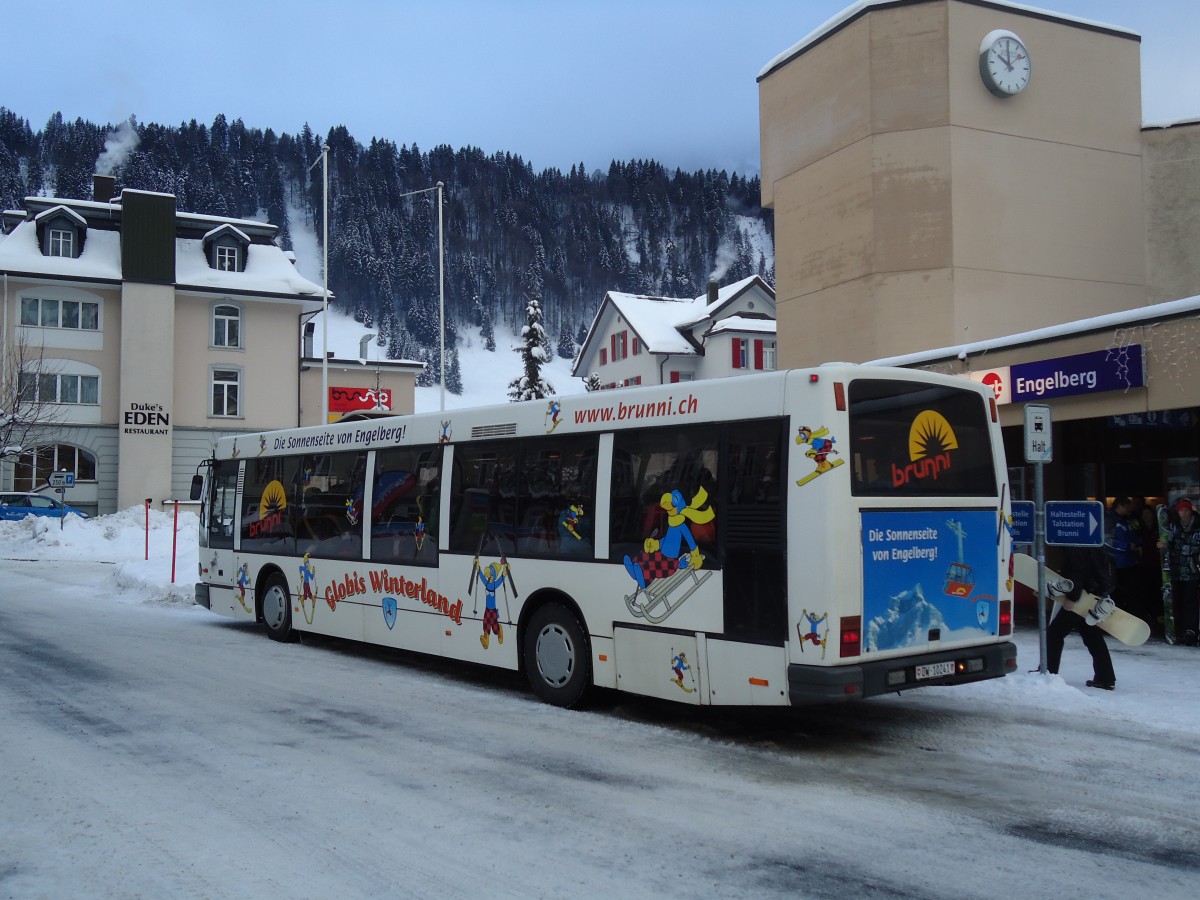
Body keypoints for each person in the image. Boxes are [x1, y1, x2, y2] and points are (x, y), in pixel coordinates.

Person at [1046, 544, 1117, 690]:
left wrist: (1072, 597)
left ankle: (1049, 673)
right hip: (1092, 593)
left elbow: (1077, 571)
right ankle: (1105, 677)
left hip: (1081, 596)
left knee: (1055, 633)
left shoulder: (1074, 543)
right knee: (1091, 636)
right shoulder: (1088, 541)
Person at [1160, 497, 1200, 645]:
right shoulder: (1174, 526)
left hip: (1193, 571)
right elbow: (1167, 543)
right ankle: (1180, 630)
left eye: (1186, 510)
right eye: (1181, 510)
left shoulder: (1197, 526)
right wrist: (1162, 545)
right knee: (1178, 601)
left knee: (1190, 602)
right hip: (1176, 572)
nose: (1184, 513)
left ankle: (1191, 630)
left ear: (1190, 511)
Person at [1110, 497, 1142, 623]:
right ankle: (1117, 620)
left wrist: (1138, 543)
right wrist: (1128, 546)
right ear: (1119, 506)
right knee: (1117, 593)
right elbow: (1109, 541)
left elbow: (1132, 535)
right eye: (1126, 506)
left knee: (1131, 593)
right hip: (1116, 563)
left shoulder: (1127, 520)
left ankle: (1130, 618)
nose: (1129, 509)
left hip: (1129, 562)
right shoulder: (1110, 520)